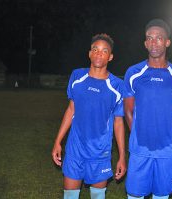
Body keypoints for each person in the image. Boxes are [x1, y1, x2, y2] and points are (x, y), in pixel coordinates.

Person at [51, 33, 126, 199]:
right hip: (75, 150)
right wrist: (58, 141)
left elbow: (119, 122)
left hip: (100, 152)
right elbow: (71, 109)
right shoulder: (77, 76)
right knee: (70, 196)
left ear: (110, 57)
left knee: (97, 196)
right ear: (89, 53)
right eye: (95, 49)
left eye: (104, 51)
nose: (99, 53)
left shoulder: (117, 86)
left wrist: (122, 156)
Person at [124, 19, 172, 199]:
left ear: (167, 42)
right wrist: (137, 130)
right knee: (135, 194)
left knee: (162, 194)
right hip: (140, 147)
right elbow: (128, 109)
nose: (154, 42)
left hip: (166, 147)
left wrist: (168, 127)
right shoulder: (133, 72)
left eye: (159, 38)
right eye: (149, 38)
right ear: (145, 43)